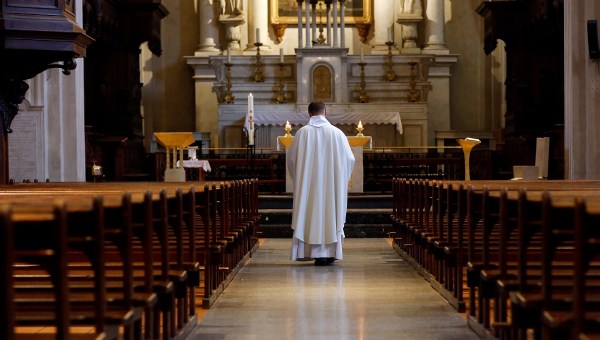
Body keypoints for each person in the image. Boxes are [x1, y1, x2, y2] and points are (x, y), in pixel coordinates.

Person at [287, 101, 355, 266]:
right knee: (330, 213)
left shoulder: (302, 134)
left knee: (308, 212)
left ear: (309, 113)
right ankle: (330, 252)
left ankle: (307, 251)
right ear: (326, 112)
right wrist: (340, 179)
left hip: (308, 187)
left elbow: (292, 161)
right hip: (331, 188)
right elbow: (349, 159)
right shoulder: (337, 133)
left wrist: (301, 179)